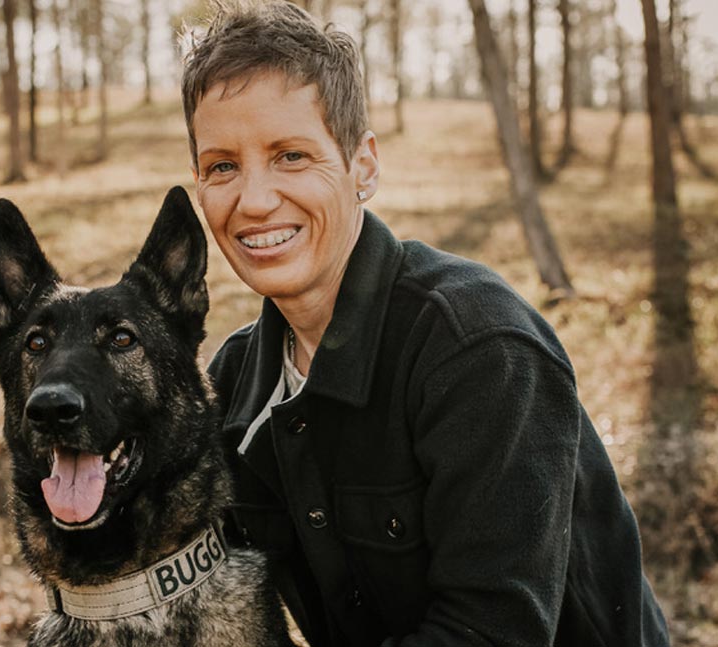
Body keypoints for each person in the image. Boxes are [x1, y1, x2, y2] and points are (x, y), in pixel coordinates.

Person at [182, 3, 670, 646]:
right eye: (222, 166)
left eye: (291, 155)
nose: (254, 199)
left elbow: (493, 634)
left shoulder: (477, 346)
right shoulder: (236, 383)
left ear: (363, 166)